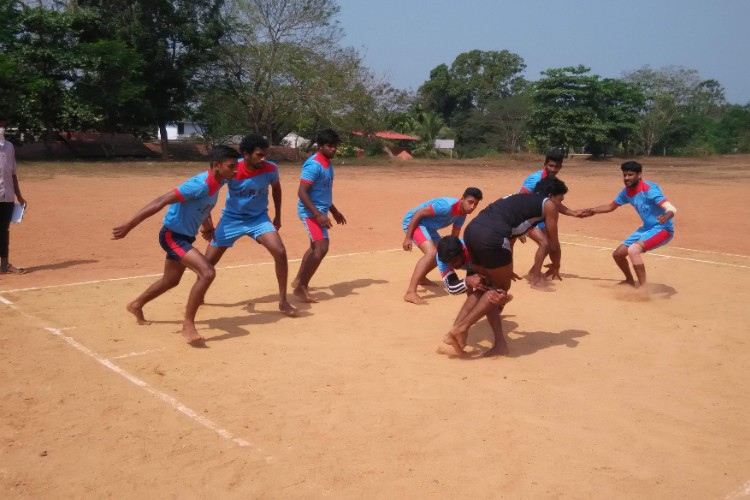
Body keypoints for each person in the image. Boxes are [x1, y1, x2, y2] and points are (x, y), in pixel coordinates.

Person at [112, 145, 239, 345]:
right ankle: (188, 324)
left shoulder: (219, 182)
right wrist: (130, 225)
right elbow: (161, 200)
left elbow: (203, 207)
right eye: (231, 166)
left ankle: (136, 304)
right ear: (216, 165)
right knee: (207, 272)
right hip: (173, 236)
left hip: (185, 237)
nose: (235, 171)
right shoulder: (198, 184)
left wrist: (208, 227)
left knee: (171, 280)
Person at [442, 177, 569, 357]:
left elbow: (508, 231)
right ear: (550, 195)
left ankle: (460, 333)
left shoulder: (519, 198)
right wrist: (556, 265)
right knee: (499, 291)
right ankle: (460, 329)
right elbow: (553, 244)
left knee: (484, 285)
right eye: (560, 200)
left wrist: (505, 266)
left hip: (472, 232)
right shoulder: (548, 205)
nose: (560, 205)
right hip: (491, 238)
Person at [202, 135, 296, 317]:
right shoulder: (232, 169)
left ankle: (283, 300)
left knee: (280, 252)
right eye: (259, 155)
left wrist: (277, 215)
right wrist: (208, 225)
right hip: (231, 219)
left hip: (259, 219)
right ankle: (199, 295)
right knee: (207, 264)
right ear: (245, 154)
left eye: (265, 154)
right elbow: (208, 193)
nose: (264, 159)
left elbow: (276, 189)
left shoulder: (270, 169)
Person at [581, 161, 676, 289]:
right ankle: (629, 281)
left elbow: (671, 208)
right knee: (618, 255)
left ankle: (644, 289)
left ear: (639, 175)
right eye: (624, 175)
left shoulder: (649, 189)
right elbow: (611, 206)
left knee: (633, 250)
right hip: (647, 228)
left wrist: (667, 216)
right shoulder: (626, 192)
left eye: (630, 175)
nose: (626, 178)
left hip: (663, 229)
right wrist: (592, 210)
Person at [402, 188, 483, 305]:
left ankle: (421, 278)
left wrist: (456, 256)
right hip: (413, 222)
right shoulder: (445, 206)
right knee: (432, 253)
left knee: (442, 253)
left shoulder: (462, 214)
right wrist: (408, 238)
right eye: (470, 202)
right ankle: (410, 292)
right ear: (462, 199)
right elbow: (418, 214)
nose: (472, 207)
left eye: (475, 204)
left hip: (428, 228)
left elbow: (454, 237)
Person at [292, 129, 346, 302]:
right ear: (320, 146)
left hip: (320, 211)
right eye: (330, 146)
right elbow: (302, 192)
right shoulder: (314, 165)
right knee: (322, 247)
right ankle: (301, 288)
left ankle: (298, 280)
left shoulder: (327, 164)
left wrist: (334, 211)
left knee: (314, 248)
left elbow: (323, 193)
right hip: (310, 213)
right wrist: (318, 215)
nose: (333, 149)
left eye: (335, 146)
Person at [518, 149, 582, 290]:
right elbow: (520, 200)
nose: (553, 169)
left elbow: (555, 204)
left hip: (542, 217)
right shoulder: (534, 179)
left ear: (561, 167)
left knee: (552, 244)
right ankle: (535, 279)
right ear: (545, 164)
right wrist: (519, 228)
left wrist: (573, 213)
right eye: (551, 166)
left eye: (557, 166)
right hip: (528, 218)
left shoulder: (556, 183)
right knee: (546, 244)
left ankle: (536, 270)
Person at [435, 235, 507, 354]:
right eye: (449, 264)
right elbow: (451, 288)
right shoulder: (441, 257)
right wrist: (467, 281)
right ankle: (457, 333)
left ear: (463, 251)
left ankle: (457, 332)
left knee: (489, 293)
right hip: (475, 266)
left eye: (454, 262)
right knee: (484, 295)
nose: (453, 267)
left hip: (489, 263)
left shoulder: (476, 248)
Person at [0, 112, 27, 274]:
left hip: (7, 196)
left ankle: (4, 264)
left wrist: (19, 196)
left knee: (3, 231)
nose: (1, 128)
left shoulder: (9, 147)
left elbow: (13, 173)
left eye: (3, 126)